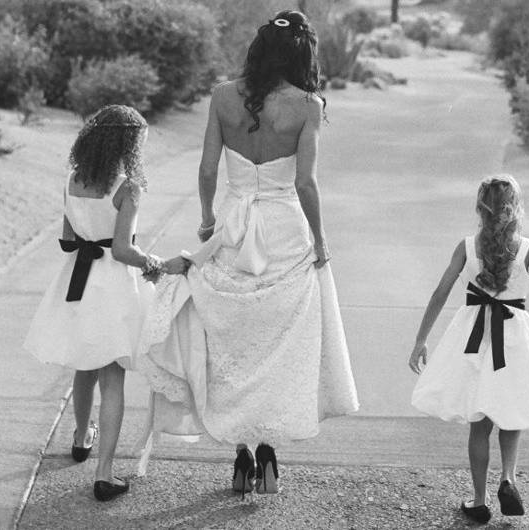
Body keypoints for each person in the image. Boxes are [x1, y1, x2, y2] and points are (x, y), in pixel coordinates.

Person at [135, 10, 359, 498]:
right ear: (303, 56)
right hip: (285, 236)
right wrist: (320, 242)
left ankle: (239, 457)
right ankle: (269, 455)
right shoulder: (308, 106)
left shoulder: (222, 95)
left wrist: (207, 221)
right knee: (277, 347)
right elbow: (305, 182)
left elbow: (207, 169)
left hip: (233, 230)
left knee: (230, 342)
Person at [23, 105, 188, 502]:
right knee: (113, 378)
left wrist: (86, 233)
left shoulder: (72, 178)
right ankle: (105, 473)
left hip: (77, 283)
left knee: (85, 365)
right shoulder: (127, 187)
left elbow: (66, 238)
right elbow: (121, 250)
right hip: (112, 288)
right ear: (127, 144)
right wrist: (159, 264)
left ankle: (82, 438)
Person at [408, 174, 529, 523]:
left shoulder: (465, 247)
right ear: (516, 207)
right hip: (514, 337)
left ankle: (478, 501)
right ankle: (508, 478)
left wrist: (421, 340)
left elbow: (440, 293)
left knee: (480, 423)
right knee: (511, 410)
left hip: (472, 336)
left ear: (480, 208)